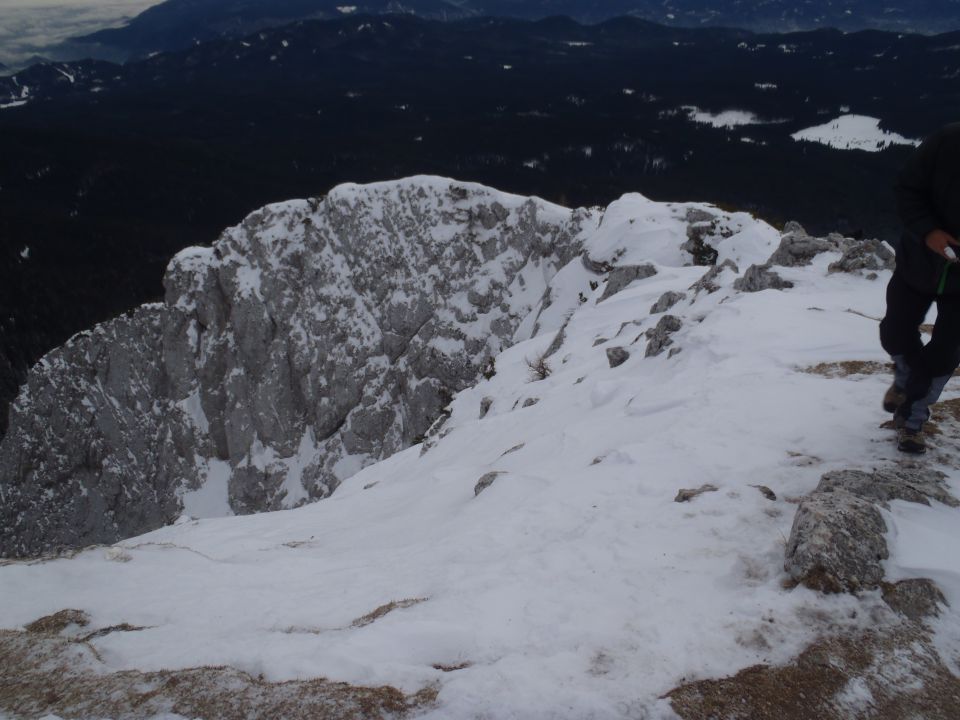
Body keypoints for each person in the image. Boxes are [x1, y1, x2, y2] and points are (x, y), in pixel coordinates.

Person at [880, 122, 960, 453]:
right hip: (918, 259)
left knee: (944, 352)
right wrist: (929, 232)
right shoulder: (947, 141)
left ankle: (912, 419)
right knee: (895, 331)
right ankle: (905, 380)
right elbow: (908, 189)